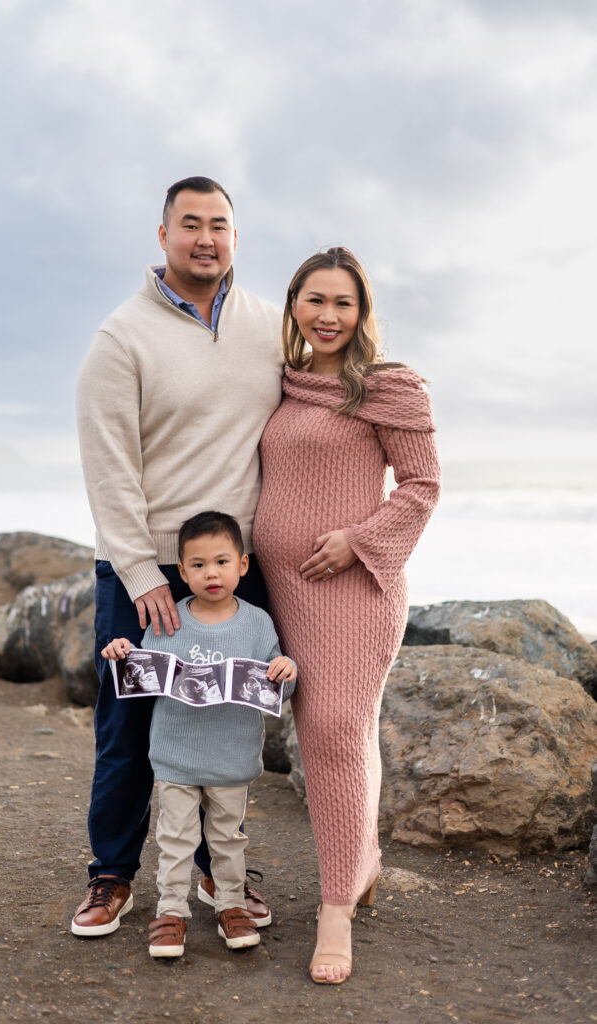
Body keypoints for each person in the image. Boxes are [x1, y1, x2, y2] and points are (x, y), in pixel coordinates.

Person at [73, 176, 283, 937]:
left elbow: (323, 393)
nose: (205, 237)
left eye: (219, 224)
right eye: (189, 223)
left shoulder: (268, 326)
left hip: (234, 565)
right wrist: (136, 574)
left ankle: (209, 869)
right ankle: (110, 875)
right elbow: (109, 466)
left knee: (221, 717)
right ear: (161, 235)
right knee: (129, 729)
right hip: (147, 566)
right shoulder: (120, 337)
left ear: (235, 235)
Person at [253, 247, 441, 984]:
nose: (328, 316)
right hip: (277, 589)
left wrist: (358, 542)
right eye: (314, 300)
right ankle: (360, 862)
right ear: (293, 305)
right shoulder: (284, 386)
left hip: (354, 588)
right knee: (322, 729)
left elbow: (422, 486)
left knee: (333, 726)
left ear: (362, 313)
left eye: (344, 303)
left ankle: (335, 909)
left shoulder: (387, 388)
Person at [101, 512, 296, 958]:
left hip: (231, 758)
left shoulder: (257, 623)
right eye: (199, 565)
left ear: (243, 566)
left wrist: (287, 672)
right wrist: (121, 654)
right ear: (182, 571)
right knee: (176, 838)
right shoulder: (167, 622)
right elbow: (141, 675)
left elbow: (278, 689)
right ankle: (171, 911)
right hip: (175, 755)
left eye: (222, 562)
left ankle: (230, 904)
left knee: (228, 838)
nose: (211, 573)